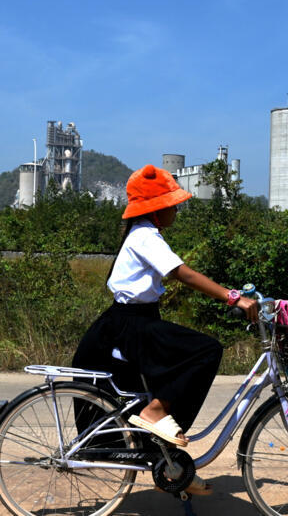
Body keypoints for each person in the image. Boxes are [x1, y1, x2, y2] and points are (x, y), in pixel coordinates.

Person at [72, 164, 258, 495]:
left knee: (162, 379)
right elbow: (181, 274)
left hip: (135, 322)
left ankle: (171, 466)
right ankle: (155, 412)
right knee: (206, 350)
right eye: (172, 203)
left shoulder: (144, 233)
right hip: (131, 326)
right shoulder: (145, 235)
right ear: (156, 209)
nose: (177, 209)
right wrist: (234, 298)